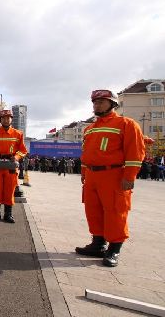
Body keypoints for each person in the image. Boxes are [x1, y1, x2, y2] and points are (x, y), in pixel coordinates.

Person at [75, 89, 145, 267]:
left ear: (113, 104)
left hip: (113, 175)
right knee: (93, 210)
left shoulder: (127, 124)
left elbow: (135, 152)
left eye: (101, 102)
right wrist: (84, 172)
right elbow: (86, 153)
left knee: (115, 211)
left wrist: (129, 176)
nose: (97, 105)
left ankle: (114, 249)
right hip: (92, 176)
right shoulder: (90, 128)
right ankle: (98, 244)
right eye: (95, 102)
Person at [0, 109, 28, 223]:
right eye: (4, 118)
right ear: (0, 120)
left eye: (8, 118)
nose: (6, 120)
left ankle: (8, 214)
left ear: (11, 119)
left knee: (9, 190)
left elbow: (23, 150)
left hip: (11, 167)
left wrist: (16, 157)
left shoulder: (18, 134)